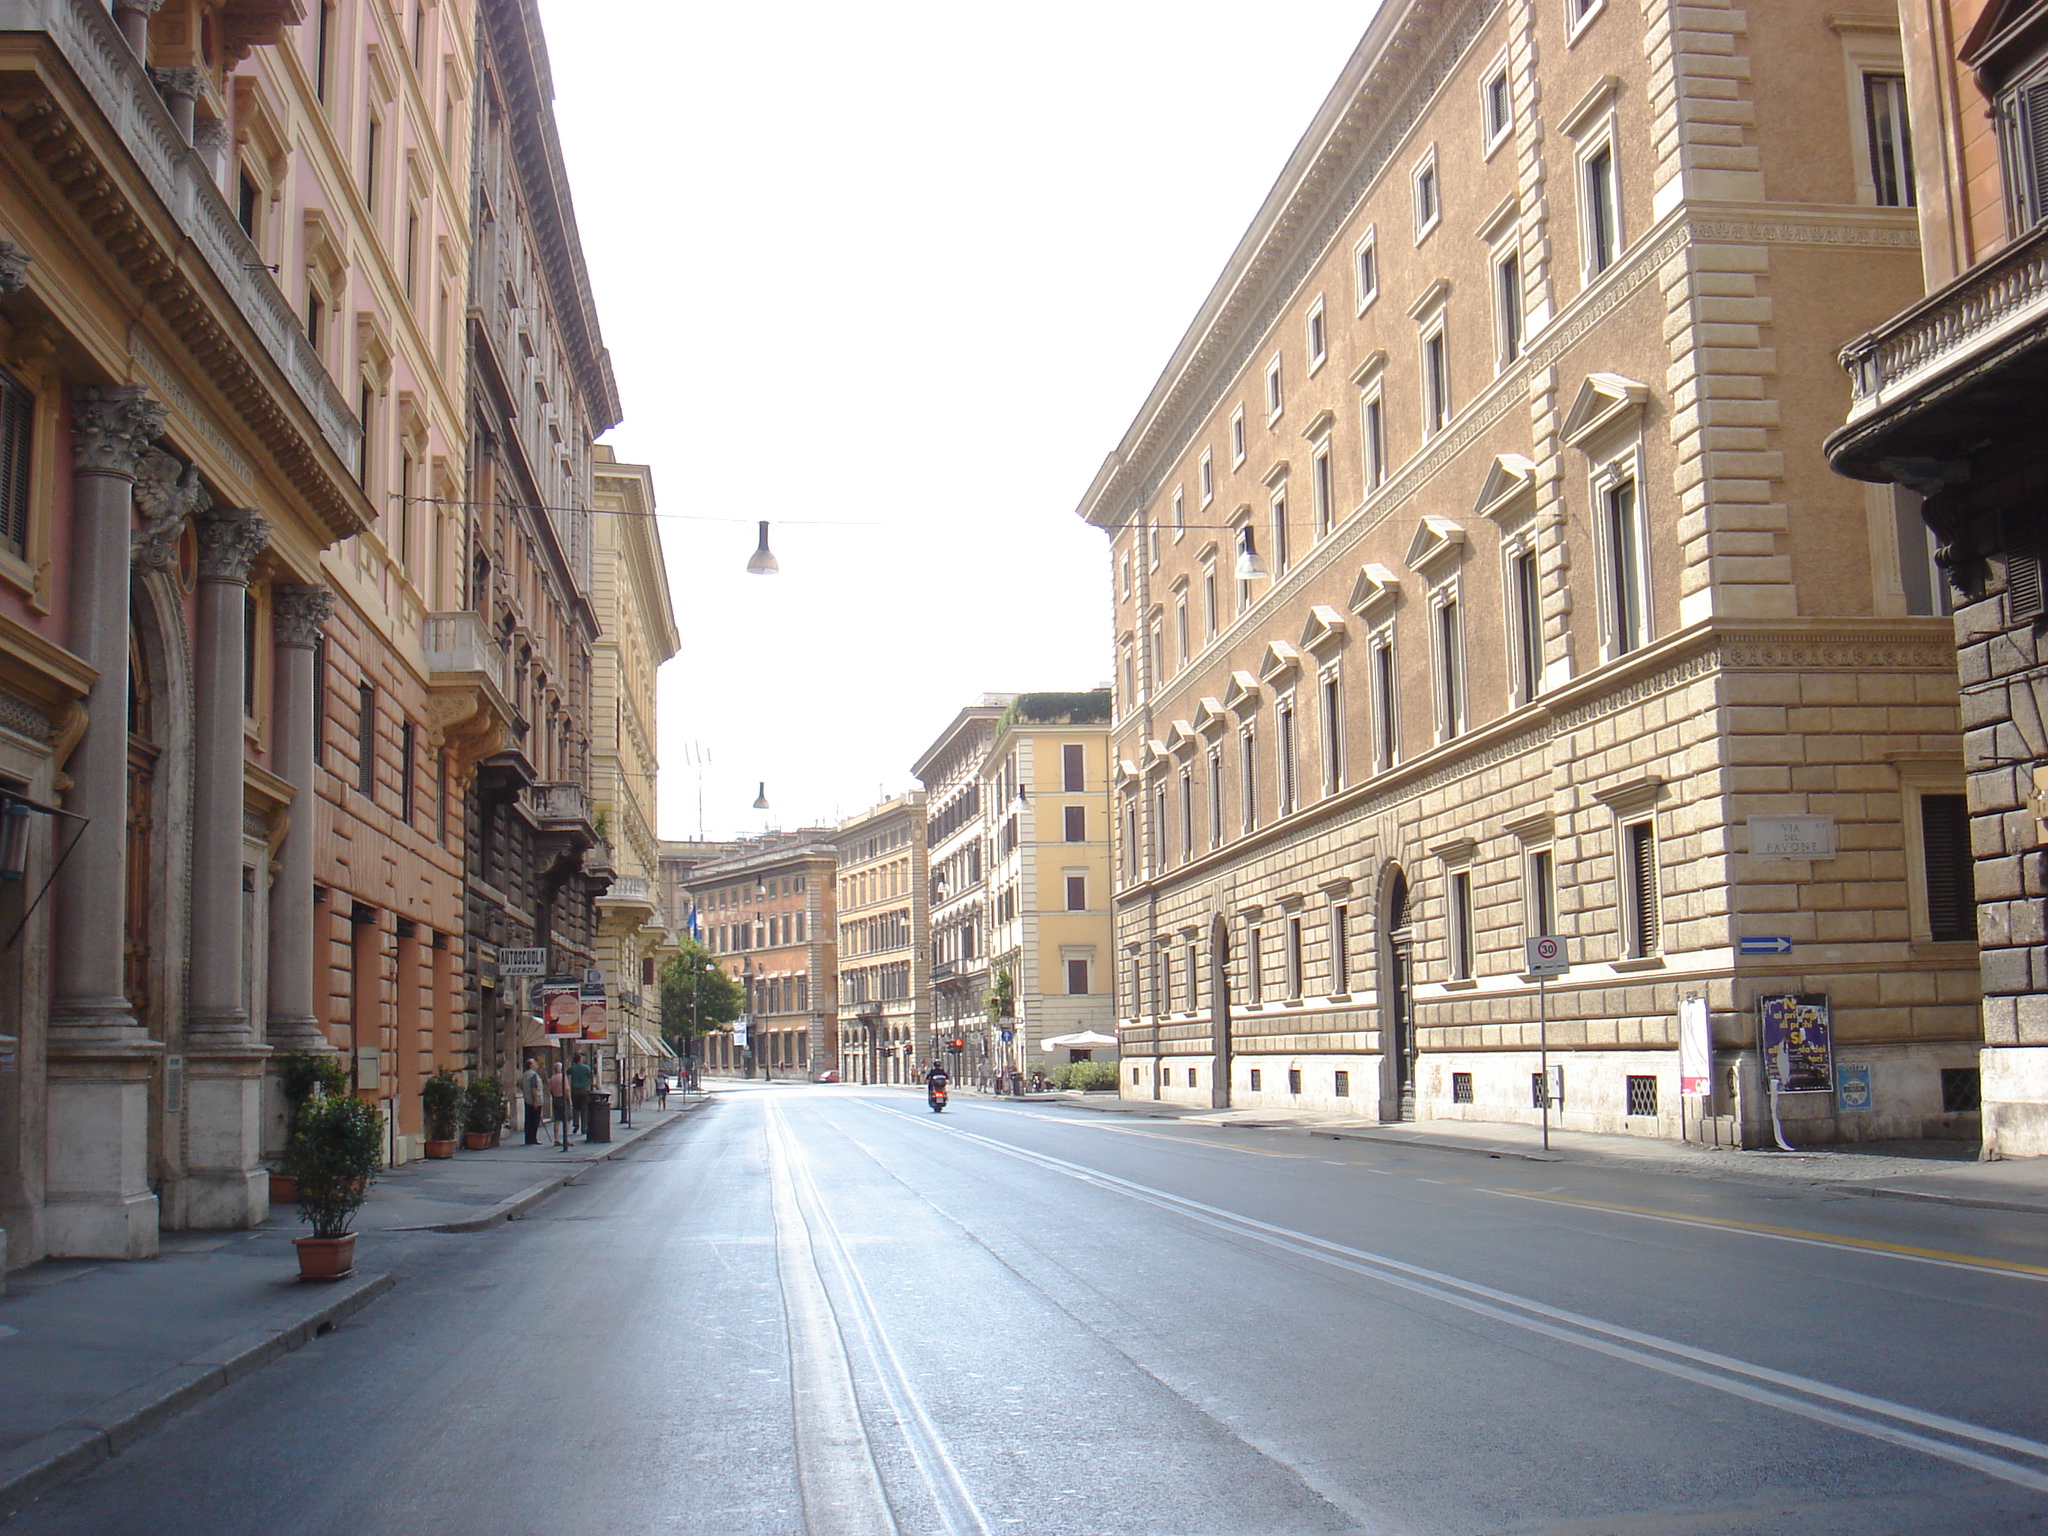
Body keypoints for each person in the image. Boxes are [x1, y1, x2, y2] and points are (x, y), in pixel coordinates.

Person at [520, 1057, 546, 1145]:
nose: (537, 1065)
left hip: (527, 1100)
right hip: (535, 1101)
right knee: (534, 1121)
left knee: (528, 1120)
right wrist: (535, 1101)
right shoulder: (533, 1075)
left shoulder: (524, 1075)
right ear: (530, 1065)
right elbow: (533, 1088)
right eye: (535, 1063)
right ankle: (533, 1138)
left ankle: (528, 1138)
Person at [567, 1051, 594, 1134]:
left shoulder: (572, 1068)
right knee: (584, 1109)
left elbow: (567, 1072)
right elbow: (590, 1076)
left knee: (575, 1108)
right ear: (581, 1059)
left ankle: (576, 1124)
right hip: (584, 1089)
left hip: (574, 1090)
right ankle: (584, 1127)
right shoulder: (586, 1068)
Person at [548, 1061, 569, 1146]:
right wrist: (569, 1100)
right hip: (562, 1098)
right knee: (565, 1120)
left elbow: (550, 1090)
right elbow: (566, 1090)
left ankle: (556, 1139)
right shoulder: (563, 1077)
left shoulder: (552, 1078)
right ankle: (565, 1139)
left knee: (556, 1120)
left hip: (555, 1098)